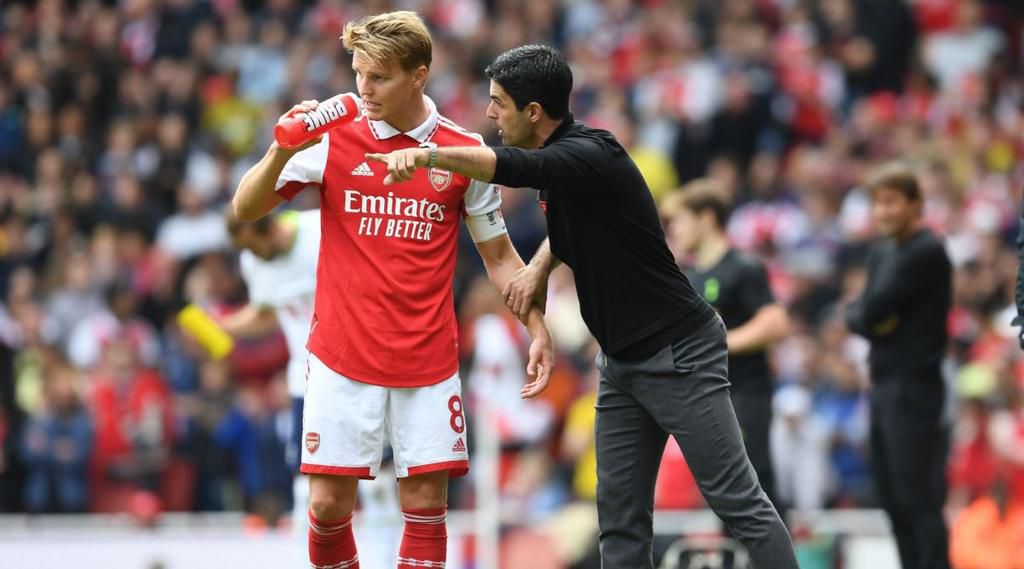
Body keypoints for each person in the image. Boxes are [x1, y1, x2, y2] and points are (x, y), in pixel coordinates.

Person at [368, 44, 798, 569]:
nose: (489, 113)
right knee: (617, 518)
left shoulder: (593, 152)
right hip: (621, 364)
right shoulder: (567, 168)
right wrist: (539, 268)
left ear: (533, 113)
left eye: (498, 103)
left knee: (738, 503)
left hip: (678, 352)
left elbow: (511, 166)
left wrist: (428, 154)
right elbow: (568, 226)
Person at [231, 12, 553, 569]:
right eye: (358, 72)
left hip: (426, 357)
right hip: (340, 354)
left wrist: (536, 327)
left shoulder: (461, 151)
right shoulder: (332, 133)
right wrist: (280, 149)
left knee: (426, 504)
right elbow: (245, 208)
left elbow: (499, 257)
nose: (363, 88)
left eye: (378, 77)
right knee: (329, 506)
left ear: (418, 75)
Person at [844, 163, 952, 569]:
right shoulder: (881, 252)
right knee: (891, 498)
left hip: (915, 386)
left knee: (918, 497)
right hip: (884, 384)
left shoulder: (926, 250)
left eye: (891, 201)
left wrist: (870, 318)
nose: (882, 211)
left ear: (915, 204)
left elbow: (868, 310)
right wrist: (869, 318)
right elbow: (859, 316)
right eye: (876, 202)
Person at [662, 179, 790, 507]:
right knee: (721, 488)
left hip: (746, 392)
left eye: (679, 220)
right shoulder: (687, 276)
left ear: (706, 218)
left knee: (754, 480)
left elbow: (775, 322)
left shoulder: (742, 267)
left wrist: (717, 344)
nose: (673, 229)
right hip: (707, 395)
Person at [223, 208, 319, 527]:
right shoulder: (254, 263)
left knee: (377, 482)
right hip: (303, 383)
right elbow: (266, 314)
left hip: (357, 374)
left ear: (270, 228)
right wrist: (222, 325)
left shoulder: (319, 229)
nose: (250, 256)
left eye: (252, 246)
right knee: (305, 484)